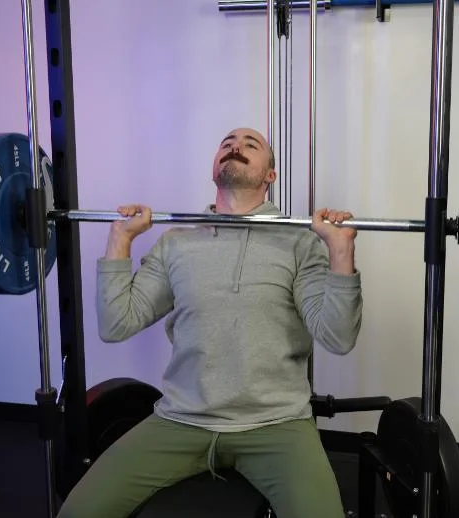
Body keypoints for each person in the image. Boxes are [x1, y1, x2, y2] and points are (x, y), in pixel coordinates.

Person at [57, 127, 363, 518]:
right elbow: (116, 324)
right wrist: (120, 241)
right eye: (227, 143)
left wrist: (341, 251)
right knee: (77, 512)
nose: (236, 146)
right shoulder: (178, 243)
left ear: (270, 176)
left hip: (276, 425)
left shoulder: (298, 243)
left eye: (251, 145)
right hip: (182, 420)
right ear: (214, 167)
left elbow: (337, 337)